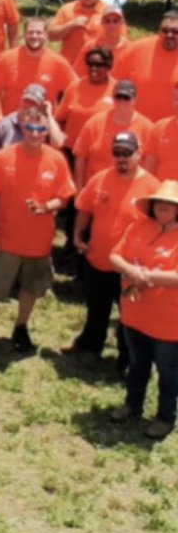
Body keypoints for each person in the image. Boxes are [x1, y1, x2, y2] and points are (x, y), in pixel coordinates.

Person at [0, 109, 76, 356]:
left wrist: (46, 207)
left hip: (38, 243)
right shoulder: (4, 157)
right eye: (30, 128)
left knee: (31, 288)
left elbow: (64, 196)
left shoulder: (56, 160)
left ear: (47, 131)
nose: (35, 134)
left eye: (40, 129)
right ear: (22, 128)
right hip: (6, 240)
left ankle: (21, 328)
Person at [67, 132, 158, 367]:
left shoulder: (151, 188)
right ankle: (90, 344)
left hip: (129, 267)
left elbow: (158, 227)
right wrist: (77, 235)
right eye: (117, 153)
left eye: (127, 153)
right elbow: (85, 208)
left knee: (129, 316)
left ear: (139, 153)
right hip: (98, 258)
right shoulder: (99, 179)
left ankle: (127, 358)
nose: (122, 158)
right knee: (96, 308)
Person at [108, 180, 178, 439]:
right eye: (159, 203)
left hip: (168, 321)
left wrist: (147, 276)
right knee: (137, 363)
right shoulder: (138, 226)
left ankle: (165, 417)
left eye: (169, 204)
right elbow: (115, 256)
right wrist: (131, 270)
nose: (162, 207)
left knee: (168, 371)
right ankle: (132, 405)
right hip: (135, 313)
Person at [0, 18, 77, 115]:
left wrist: (61, 115)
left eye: (39, 33)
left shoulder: (59, 62)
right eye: (30, 32)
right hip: (13, 120)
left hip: (44, 120)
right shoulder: (6, 59)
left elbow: (75, 90)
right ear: (24, 35)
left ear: (46, 35)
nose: (34, 36)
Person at [112, 10, 178, 122]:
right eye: (165, 30)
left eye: (175, 31)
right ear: (159, 31)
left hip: (172, 128)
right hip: (135, 124)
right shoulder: (135, 50)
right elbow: (113, 84)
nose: (169, 35)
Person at [0, 84, 66, 153]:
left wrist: (49, 115)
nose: (28, 106)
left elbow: (58, 144)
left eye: (33, 103)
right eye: (26, 101)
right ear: (21, 100)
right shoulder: (5, 125)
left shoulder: (44, 126)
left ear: (41, 106)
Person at [48, 0, 105, 66]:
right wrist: (70, 25)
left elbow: (121, 42)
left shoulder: (109, 13)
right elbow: (51, 36)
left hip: (96, 66)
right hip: (70, 65)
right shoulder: (67, 9)